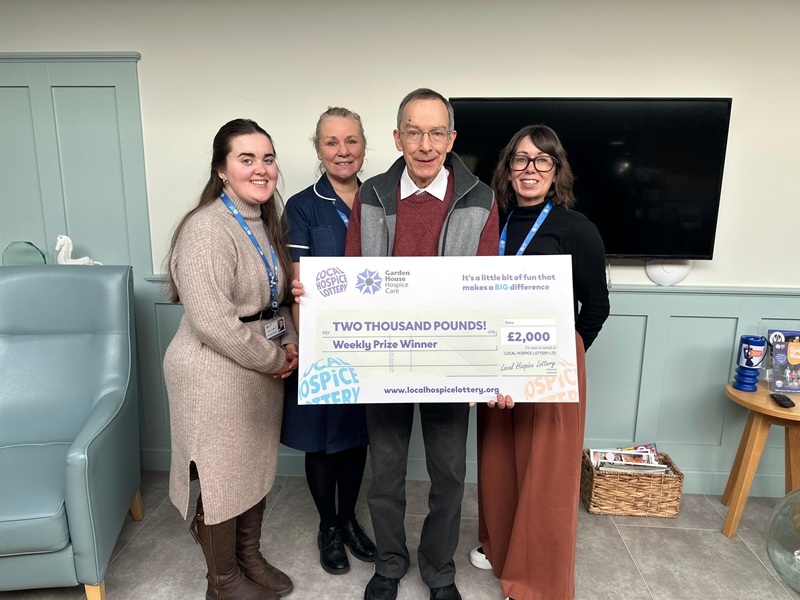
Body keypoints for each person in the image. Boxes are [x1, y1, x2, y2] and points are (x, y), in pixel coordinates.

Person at [343, 88, 499, 600]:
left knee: (449, 475)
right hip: (383, 356)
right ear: (397, 137)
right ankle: (389, 564)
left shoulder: (479, 197)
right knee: (385, 472)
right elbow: (351, 275)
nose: (425, 144)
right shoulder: (373, 195)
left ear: (451, 138)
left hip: (450, 363)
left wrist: (483, 364)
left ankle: (438, 570)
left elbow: (487, 286)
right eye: (414, 131)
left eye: (436, 132)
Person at [472, 124, 610, 600]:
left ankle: (537, 582)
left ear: (556, 171)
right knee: (497, 462)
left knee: (547, 472)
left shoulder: (577, 228)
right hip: (496, 362)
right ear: (508, 170)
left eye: (541, 160)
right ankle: (500, 547)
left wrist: (562, 359)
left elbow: (596, 308)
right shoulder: (492, 224)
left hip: (551, 364)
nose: (530, 170)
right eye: (521, 160)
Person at [164, 118, 298, 600]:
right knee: (222, 474)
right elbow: (214, 322)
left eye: (268, 158)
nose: (261, 169)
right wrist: (272, 357)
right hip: (213, 372)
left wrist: (291, 342)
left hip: (258, 367)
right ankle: (221, 582)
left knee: (252, 467)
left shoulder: (264, 222)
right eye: (247, 159)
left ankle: (248, 557)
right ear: (222, 169)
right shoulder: (206, 228)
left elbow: (271, 298)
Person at [280, 107, 376, 576]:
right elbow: (297, 282)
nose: (343, 151)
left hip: (371, 343)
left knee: (357, 437)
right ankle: (329, 526)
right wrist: (306, 348)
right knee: (320, 440)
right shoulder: (302, 205)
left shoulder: (380, 199)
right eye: (332, 142)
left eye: (351, 141)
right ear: (318, 149)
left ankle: (350, 518)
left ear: (365, 145)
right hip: (321, 345)